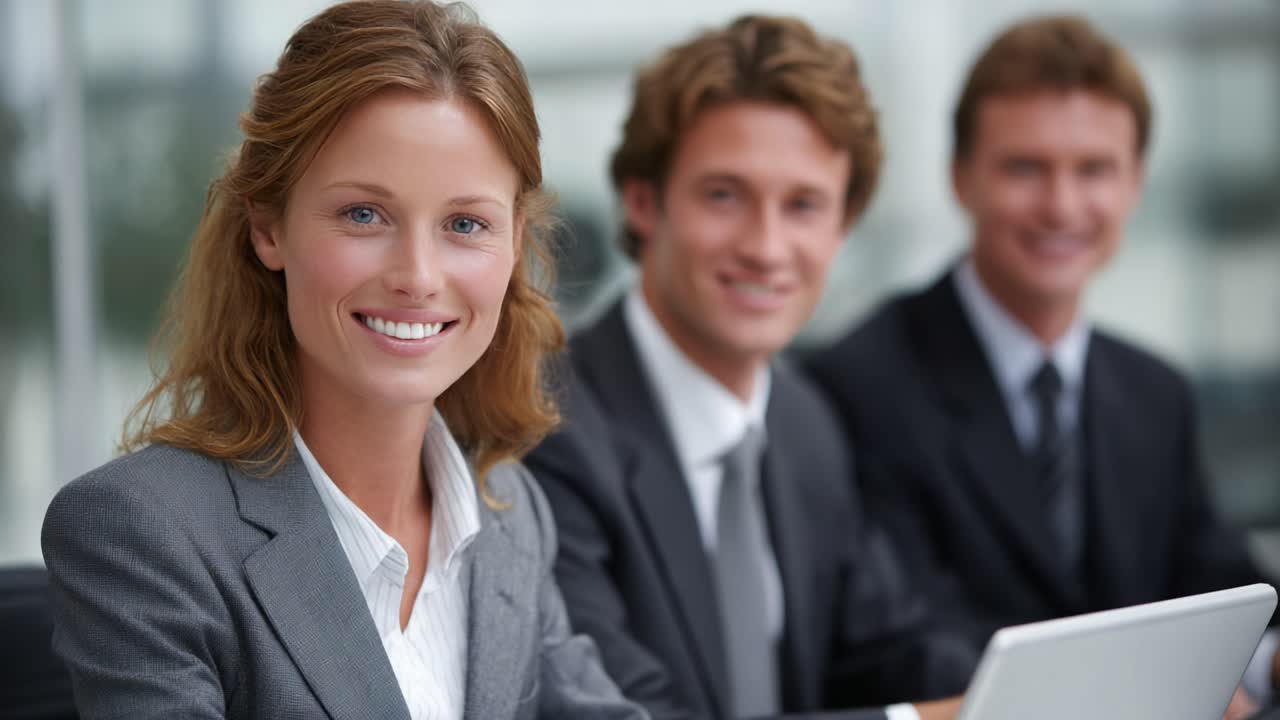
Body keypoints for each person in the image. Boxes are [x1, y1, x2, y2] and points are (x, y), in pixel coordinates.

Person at [40, 2, 647, 718]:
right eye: (364, 214)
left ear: (515, 242)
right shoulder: (141, 535)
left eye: (465, 224)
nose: (417, 275)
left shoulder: (509, 513)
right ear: (268, 227)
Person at [805, 14, 1279, 717]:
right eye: (1025, 168)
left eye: (1094, 169)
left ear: (1134, 185)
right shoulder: (859, 383)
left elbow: (1215, 585)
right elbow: (903, 640)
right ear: (960, 179)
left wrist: (1269, 659)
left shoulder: (1154, 392)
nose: (1061, 206)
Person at [524, 15, 976, 720]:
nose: (767, 247)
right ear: (644, 203)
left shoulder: (804, 421)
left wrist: (1034, 684)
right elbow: (626, 713)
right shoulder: (543, 424)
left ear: (842, 228)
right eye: (724, 196)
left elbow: (892, 643)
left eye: (803, 205)